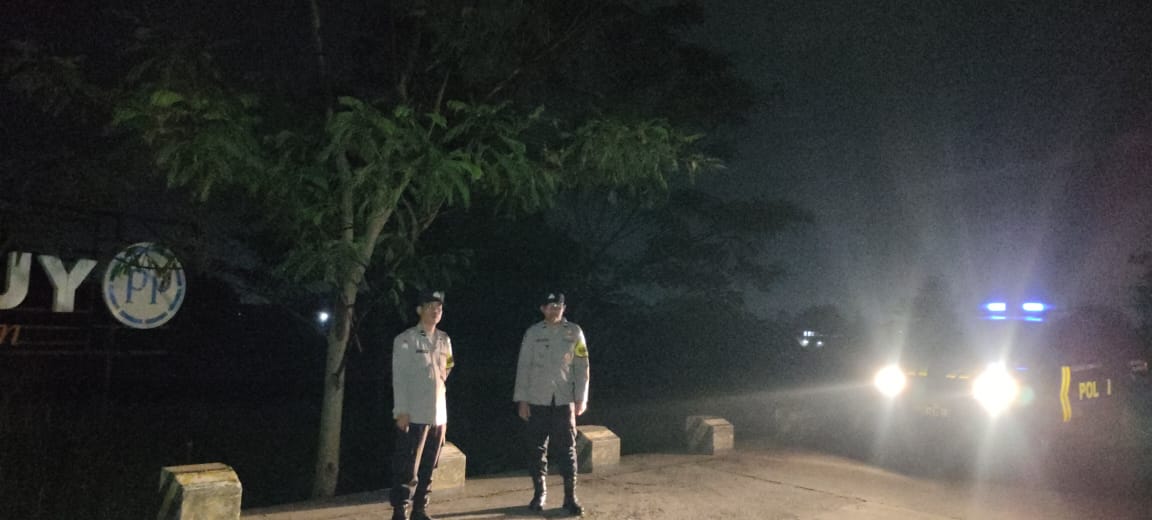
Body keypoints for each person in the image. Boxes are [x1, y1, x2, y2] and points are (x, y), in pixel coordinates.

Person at [513, 292, 590, 516]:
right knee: (536, 449)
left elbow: (582, 367)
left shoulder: (574, 332)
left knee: (567, 449)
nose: (555, 309)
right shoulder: (533, 333)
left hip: (564, 400)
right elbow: (524, 366)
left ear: (564, 308)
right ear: (542, 308)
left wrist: (581, 397)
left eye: (559, 305)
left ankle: (570, 497)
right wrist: (522, 399)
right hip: (537, 399)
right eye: (550, 305)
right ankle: (539, 493)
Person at [390, 289, 454, 520]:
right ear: (419, 310)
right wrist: (401, 411)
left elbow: (449, 365)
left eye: (439, 308)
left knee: (429, 465)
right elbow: (399, 378)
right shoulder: (406, 339)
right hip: (414, 413)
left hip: (438, 414)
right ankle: (400, 510)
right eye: (430, 307)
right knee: (408, 466)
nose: (436, 311)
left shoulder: (445, 339)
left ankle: (420, 509)